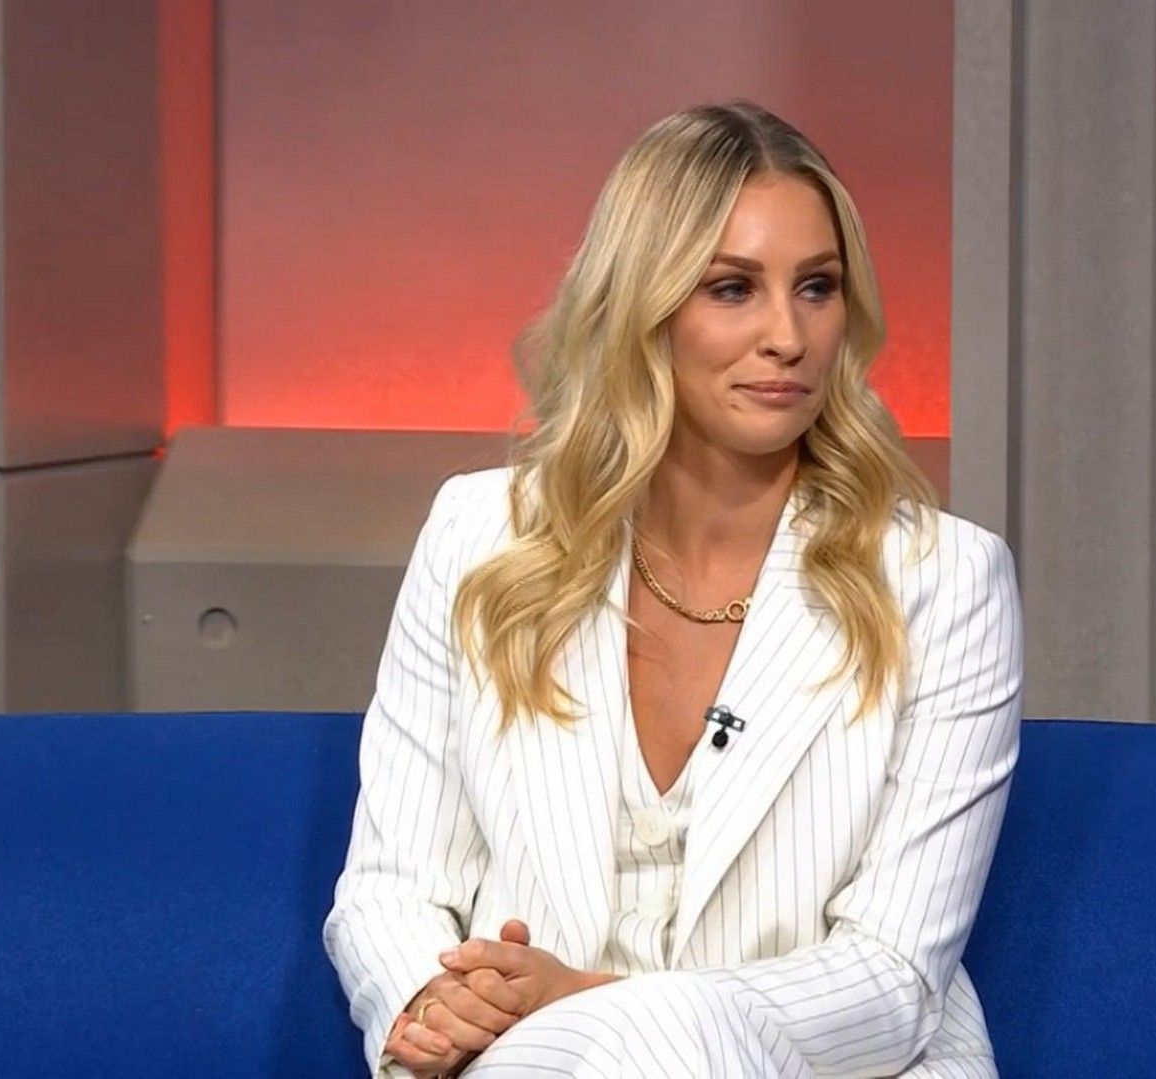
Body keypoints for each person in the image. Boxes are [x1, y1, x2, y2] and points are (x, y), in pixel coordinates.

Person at [323, 99, 1025, 1078]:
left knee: (667, 1035)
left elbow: (892, 976)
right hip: (531, 1056)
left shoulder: (942, 581)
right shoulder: (482, 537)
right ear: (642, 305)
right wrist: (432, 1001)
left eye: (817, 287)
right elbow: (389, 886)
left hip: (833, 1066)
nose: (788, 335)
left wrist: (602, 1000)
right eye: (732, 288)